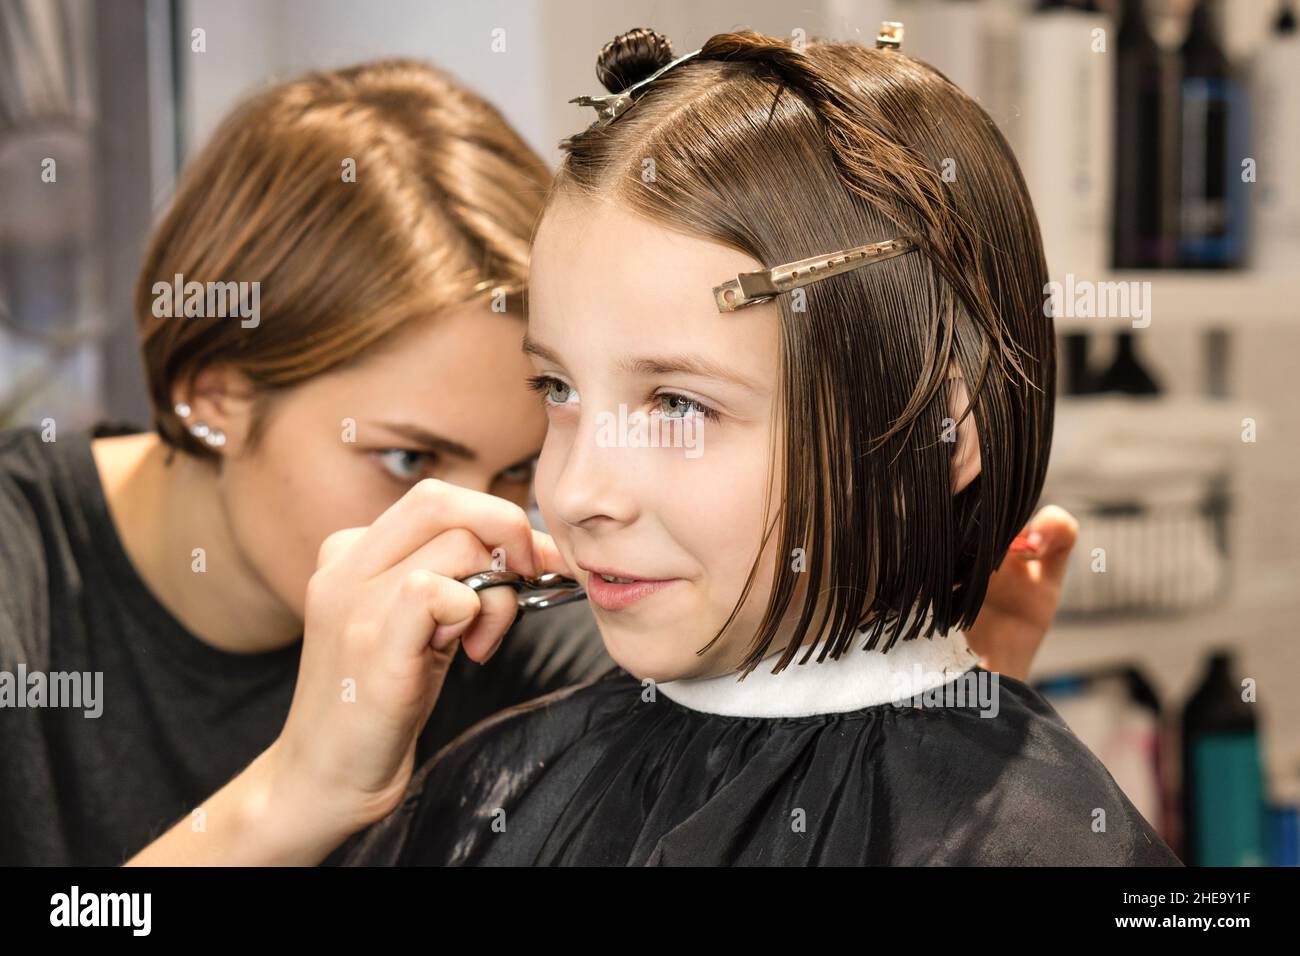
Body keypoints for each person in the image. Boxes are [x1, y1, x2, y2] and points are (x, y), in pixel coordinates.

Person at [1, 51, 1072, 868]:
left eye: (525, 440)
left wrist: (935, 737)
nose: (554, 501)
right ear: (213, 396)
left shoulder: (524, 619)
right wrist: (288, 794)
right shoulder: (23, 586)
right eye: (410, 452)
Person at [337, 28, 1179, 866]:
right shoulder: (492, 790)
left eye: (678, 404)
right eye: (558, 390)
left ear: (941, 432)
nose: (573, 489)